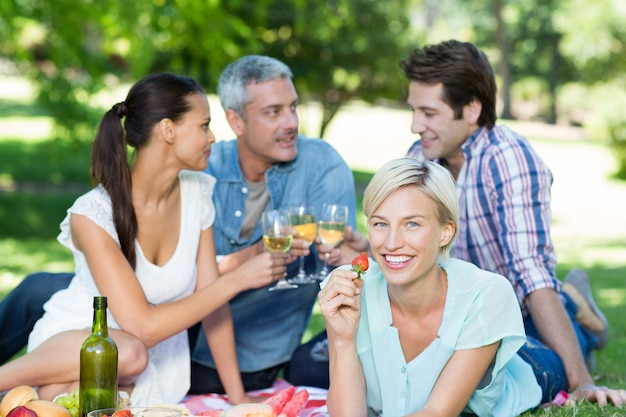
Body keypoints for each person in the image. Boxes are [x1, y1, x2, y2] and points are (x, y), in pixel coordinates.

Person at [0, 55, 358, 393]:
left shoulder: (199, 189)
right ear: (168, 131)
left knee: (81, 392)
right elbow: (145, 324)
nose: (213, 138)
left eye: (292, 107)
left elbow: (211, 301)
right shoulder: (92, 213)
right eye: (204, 126)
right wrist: (239, 274)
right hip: (101, 341)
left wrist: (238, 400)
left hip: (156, 359)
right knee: (102, 350)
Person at [320, 158, 543, 417]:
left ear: (446, 232)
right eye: (381, 224)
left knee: (554, 345)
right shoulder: (346, 291)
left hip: (533, 366)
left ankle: (576, 308)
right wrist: (344, 339)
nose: (391, 243)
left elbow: (437, 412)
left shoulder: (487, 294)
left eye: (412, 224)